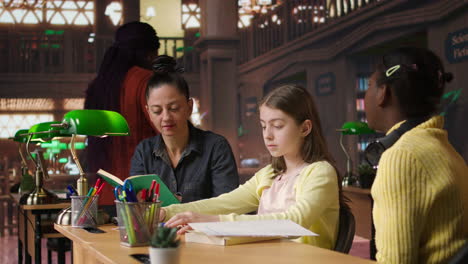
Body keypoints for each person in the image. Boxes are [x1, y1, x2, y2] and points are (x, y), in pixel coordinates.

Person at [160, 84, 346, 249]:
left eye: (278, 126)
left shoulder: (320, 172)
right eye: (264, 126)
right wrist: (166, 212)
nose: (268, 135)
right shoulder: (270, 174)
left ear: (305, 128)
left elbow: (294, 222)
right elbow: (224, 203)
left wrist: (216, 221)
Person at [364, 47, 468, 263]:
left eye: (370, 86)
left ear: (383, 93)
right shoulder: (442, 147)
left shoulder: (403, 156)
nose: (366, 95)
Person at [130, 55, 239, 203]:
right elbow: (138, 206)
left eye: (174, 108)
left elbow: (227, 205)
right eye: (157, 111)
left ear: (189, 107)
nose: (166, 117)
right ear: (148, 112)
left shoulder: (215, 147)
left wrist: (177, 204)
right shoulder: (144, 152)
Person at [84, 22, 160, 204]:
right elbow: (171, 134)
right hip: (143, 198)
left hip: (103, 196)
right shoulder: (146, 80)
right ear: (149, 53)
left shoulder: (98, 86)